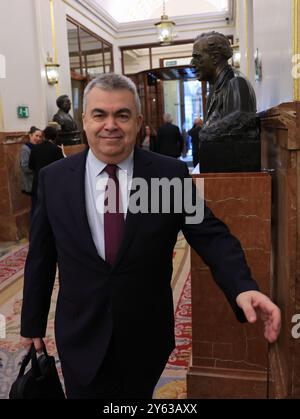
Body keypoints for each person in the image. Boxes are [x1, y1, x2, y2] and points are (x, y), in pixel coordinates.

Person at [20, 73, 281, 399]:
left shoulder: (168, 174)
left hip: (145, 336)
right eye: (100, 114)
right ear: (84, 120)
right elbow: (41, 257)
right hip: (80, 333)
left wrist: (242, 286)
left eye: (122, 115)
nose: (110, 125)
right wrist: (32, 322)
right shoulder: (53, 179)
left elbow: (211, 235)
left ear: (140, 122)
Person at [190, 32, 259, 171]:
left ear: (215, 57)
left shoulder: (237, 84)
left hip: (234, 173)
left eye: (197, 57)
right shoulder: (214, 92)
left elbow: (241, 121)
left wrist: (205, 133)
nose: (192, 64)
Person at [28, 126, 65, 213]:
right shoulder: (57, 150)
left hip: (38, 183)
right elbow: (62, 168)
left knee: (36, 210)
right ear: (55, 137)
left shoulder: (35, 148)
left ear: (44, 135)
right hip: (52, 184)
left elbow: (30, 166)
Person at [19, 126, 43, 208]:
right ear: (30, 135)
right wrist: (38, 169)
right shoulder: (26, 148)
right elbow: (25, 167)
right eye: (36, 136)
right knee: (35, 206)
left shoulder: (38, 148)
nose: (38, 138)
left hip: (37, 182)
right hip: (31, 183)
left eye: (40, 137)